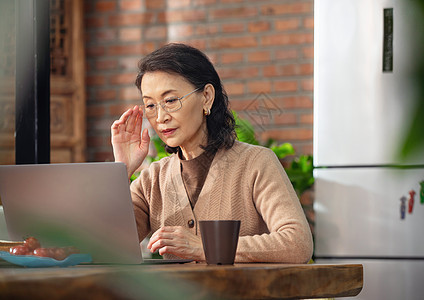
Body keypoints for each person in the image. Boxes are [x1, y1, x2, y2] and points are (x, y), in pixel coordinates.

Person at [110, 43, 313, 263]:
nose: (160, 117)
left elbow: (297, 243)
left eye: (170, 101)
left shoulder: (256, 163)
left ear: (206, 97)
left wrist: (205, 247)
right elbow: (102, 247)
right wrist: (121, 170)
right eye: (150, 105)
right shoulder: (153, 179)